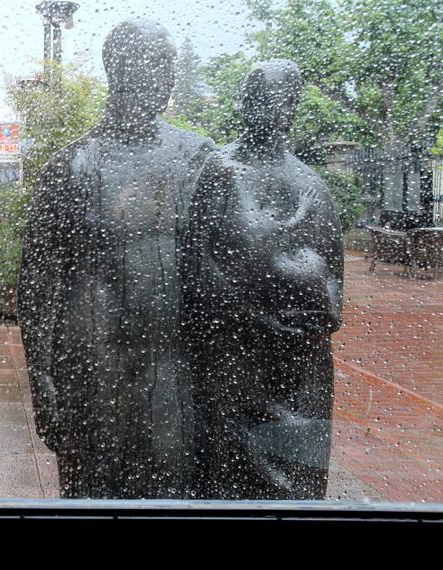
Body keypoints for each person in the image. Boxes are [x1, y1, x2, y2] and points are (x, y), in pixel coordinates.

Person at [17, 20, 213, 499]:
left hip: (171, 365)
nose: (167, 78)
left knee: (172, 491)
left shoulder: (197, 157)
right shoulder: (72, 165)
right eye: (158, 64)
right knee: (91, 492)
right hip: (89, 365)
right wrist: (44, 384)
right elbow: (38, 285)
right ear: (120, 68)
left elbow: (213, 277)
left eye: (171, 67)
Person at [183, 60, 343, 500]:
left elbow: (333, 281)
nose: (273, 110)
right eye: (263, 98)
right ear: (245, 103)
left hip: (298, 360)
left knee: (298, 474)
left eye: (283, 100)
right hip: (232, 353)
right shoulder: (219, 172)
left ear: (291, 108)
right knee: (225, 472)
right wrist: (251, 316)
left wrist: (307, 319)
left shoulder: (311, 184)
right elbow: (195, 266)